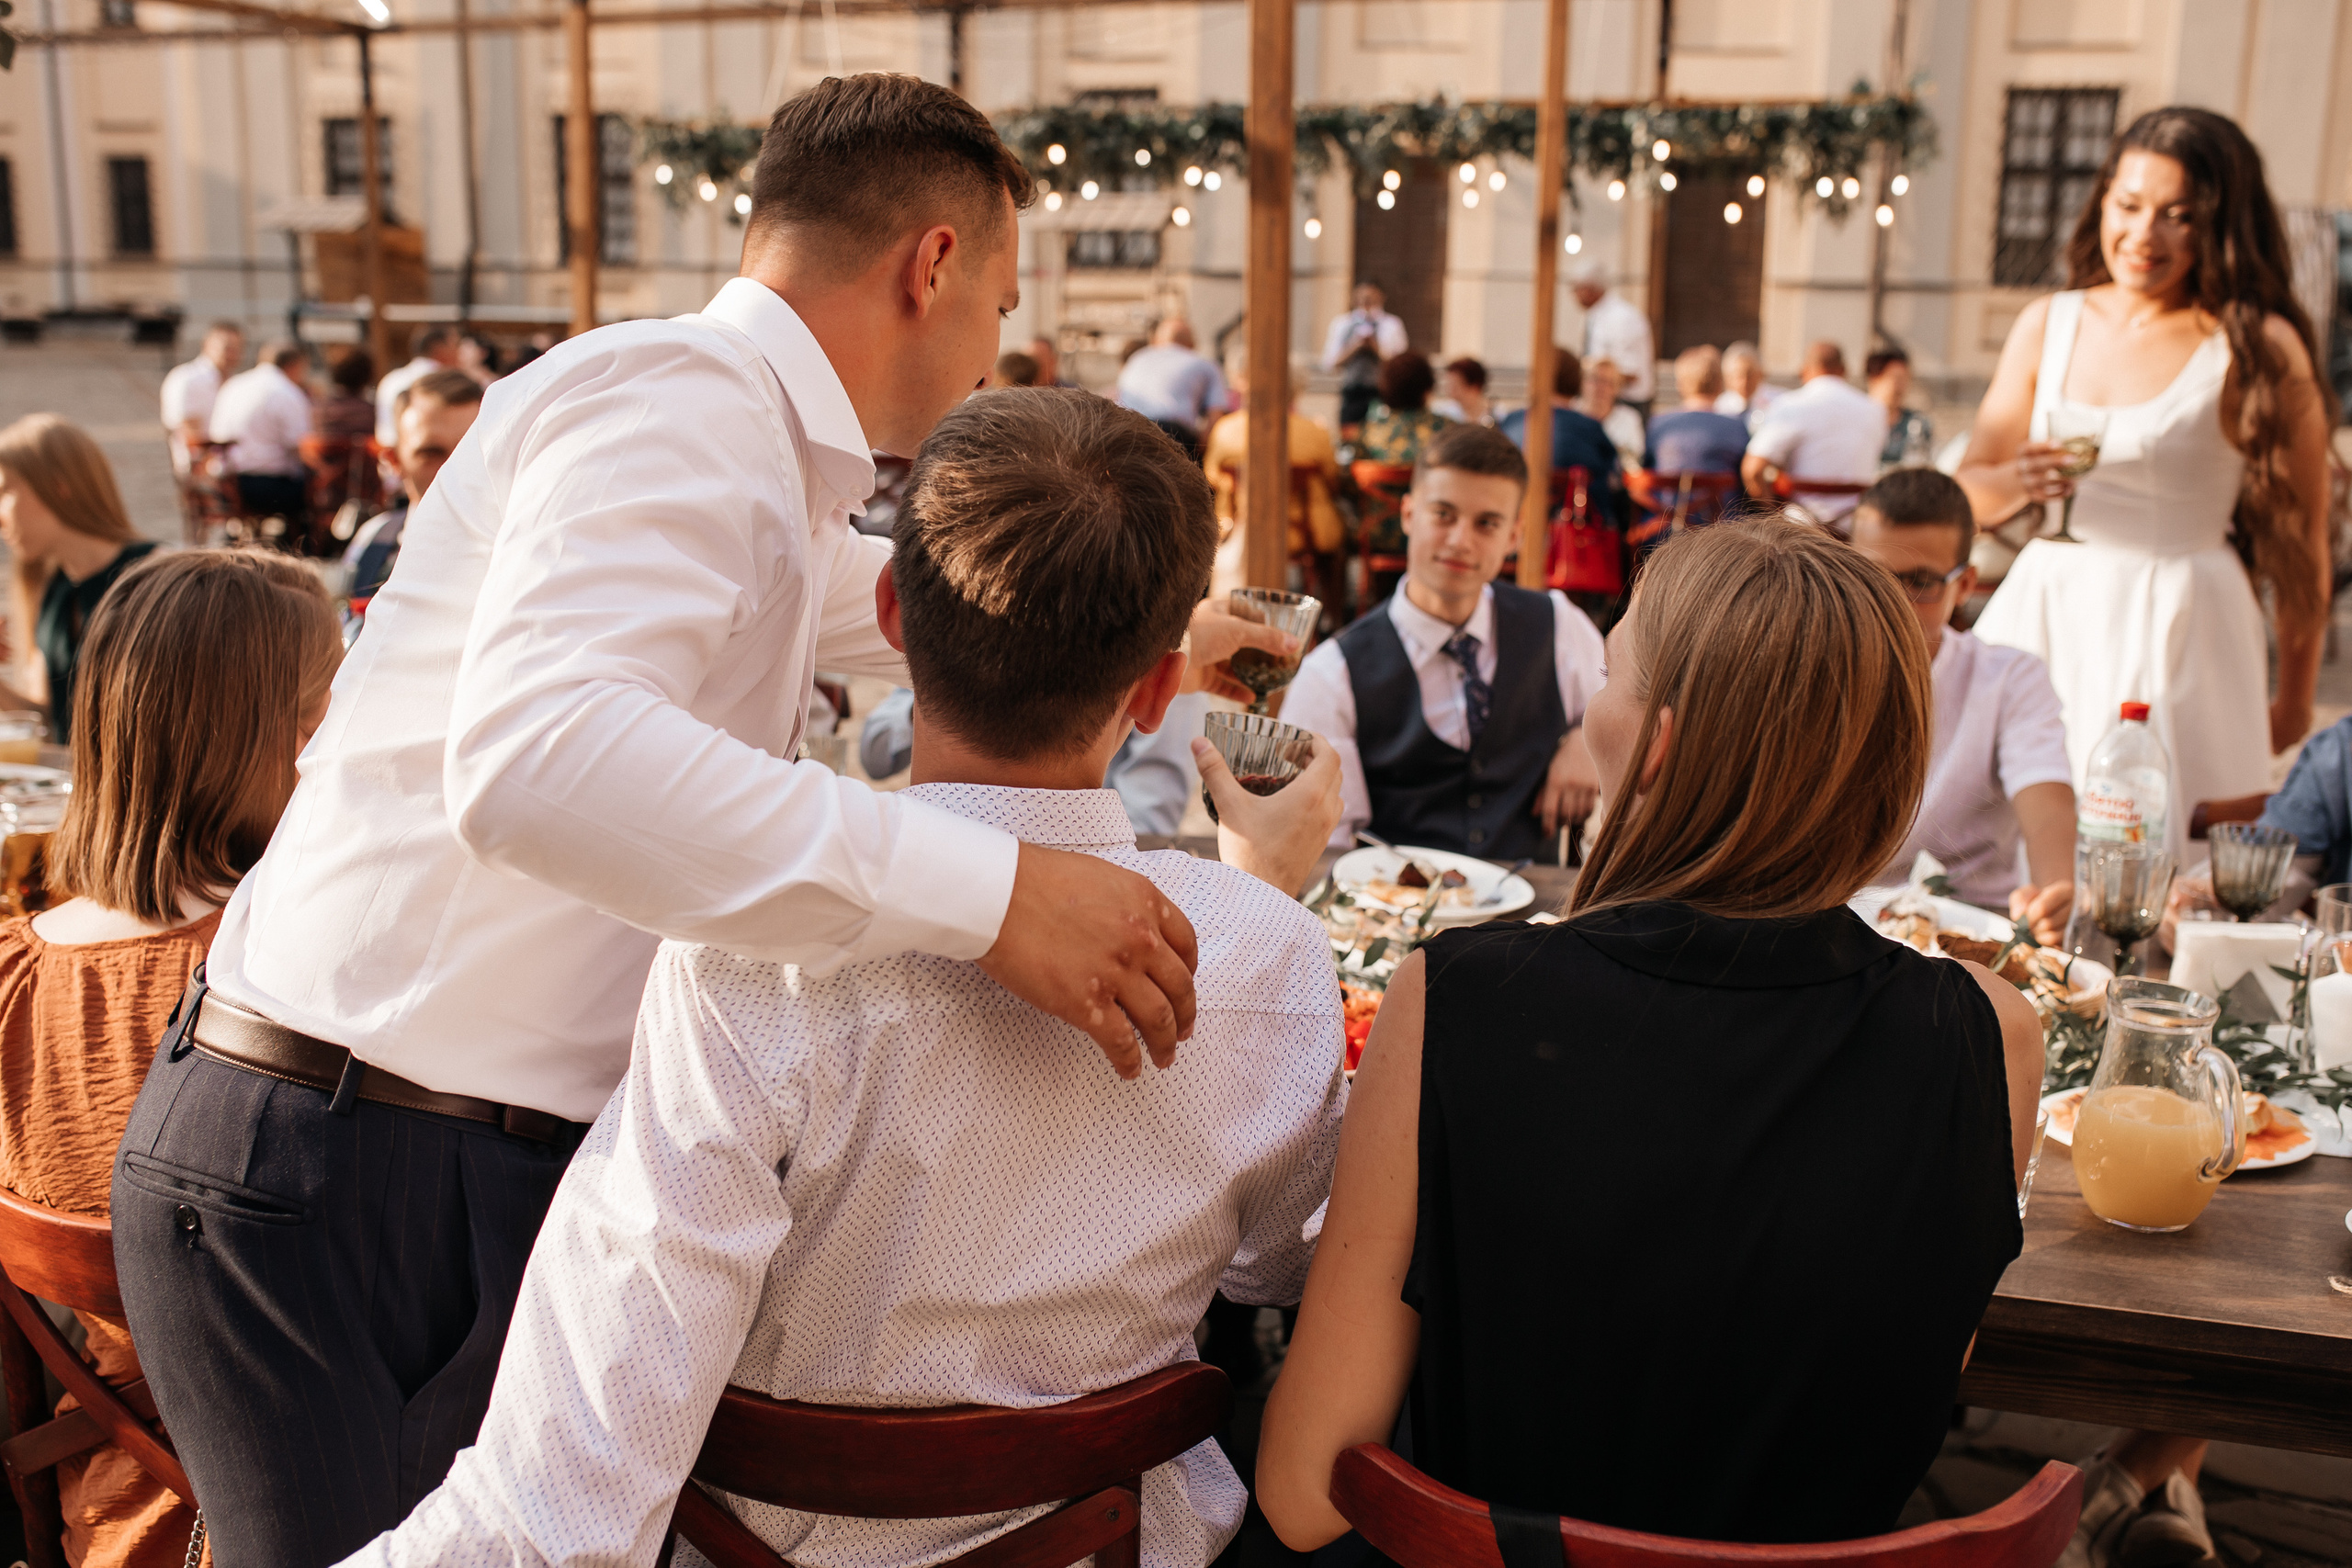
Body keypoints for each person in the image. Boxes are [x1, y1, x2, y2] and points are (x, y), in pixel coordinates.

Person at [110, 75, 1285, 1568]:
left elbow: (872, 612)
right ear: (930, 267)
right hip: (348, 1162)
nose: (992, 345)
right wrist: (994, 894)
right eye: (997, 301)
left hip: (405, 1140)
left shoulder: (750, 455)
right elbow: (543, 758)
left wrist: (1154, 616)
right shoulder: (680, 404)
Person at [333, 387, 1346, 1568]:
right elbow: (1284, 1261)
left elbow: (569, 1485)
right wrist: (1263, 900)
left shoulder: (750, 962)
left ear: (888, 614)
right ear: (1163, 690)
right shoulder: (1265, 958)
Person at [1259, 516, 2042, 1550]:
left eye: (1610, 677)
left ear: (1659, 740)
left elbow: (1306, 1495)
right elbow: (1887, 1386)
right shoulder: (1992, 1034)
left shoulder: (1457, 999)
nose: (1589, 707)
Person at [0, 548, 339, 1568]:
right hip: (304, 1509)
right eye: (333, 705)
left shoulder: (15, 971)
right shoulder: (290, 982)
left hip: (101, 1499)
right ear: (281, 737)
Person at [1960, 107, 2333, 873]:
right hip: (2048, 605)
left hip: (2183, 621)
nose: (2143, 235)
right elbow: (1968, 489)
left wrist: (2294, 695)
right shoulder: (2048, 323)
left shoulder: (2260, 345)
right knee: (2004, 853)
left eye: (2178, 217)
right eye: (2127, 205)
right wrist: (2013, 479)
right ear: (2102, 201)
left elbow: (2302, 538)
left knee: (2162, 870)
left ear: (2221, 226)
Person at [1280, 423, 1606, 858]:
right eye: (1444, 515)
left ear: (1514, 536)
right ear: (1409, 514)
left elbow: (1638, 724)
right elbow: (1321, 849)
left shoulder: (1561, 626)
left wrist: (1589, 739)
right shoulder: (1332, 674)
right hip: (1394, 914)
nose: (1460, 541)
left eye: (1486, 524)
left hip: (1538, 915)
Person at [1849, 469, 2075, 944]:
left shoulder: (2008, 678)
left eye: (1921, 583)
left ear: (1966, 585)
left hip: (1970, 927)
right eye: (1872, 577)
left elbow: (2045, 795)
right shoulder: (1810, 666)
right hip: (1838, 918)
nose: (1893, 602)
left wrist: (2054, 889)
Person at [0, 415, 159, 744]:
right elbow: (49, 722)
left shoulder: (159, 575)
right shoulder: (52, 588)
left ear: (59, 486)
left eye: (4, 492)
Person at [342, 368, 486, 603]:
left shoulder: (520, 549)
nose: (453, 467)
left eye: (470, 450)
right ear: (394, 461)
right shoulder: (373, 540)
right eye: (432, 453)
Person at [1741, 341, 1886, 526]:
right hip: (1857, 527)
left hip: (1802, 529)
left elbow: (1752, 470)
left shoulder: (1791, 404)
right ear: (1843, 370)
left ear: (1805, 370)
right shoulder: (1875, 410)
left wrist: (1771, 514)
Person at [1496, 350, 1624, 529]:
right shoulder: (1589, 428)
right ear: (1577, 380)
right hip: (1577, 535)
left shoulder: (1511, 422)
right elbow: (1615, 481)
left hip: (1516, 526)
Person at [209, 340, 316, 536]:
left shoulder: (233, 385)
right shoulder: (285, 391)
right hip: (267, 487)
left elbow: (216, 433)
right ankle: (304, 543)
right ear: (294, 366)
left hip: (225, 484)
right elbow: (301, 445)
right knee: (317, 489)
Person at [1115, 317, 1227, 456]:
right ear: (1192, 343)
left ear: (1156, 340)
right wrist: (1200, 452)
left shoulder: (1136, 359)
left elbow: (1119, 399)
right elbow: (1215, 416)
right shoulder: (1205, 364)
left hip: (1128, 432)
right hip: (1174, 435)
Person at [1645, 346, 1749, 476]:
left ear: (1680, 385)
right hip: (1720, 496)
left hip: (1665, 496)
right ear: (1720, 384)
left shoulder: (1657, 424)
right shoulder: (1736, 427)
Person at [1321, 279, 1410, 429]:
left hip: (1381, 391)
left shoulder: (1392, 325)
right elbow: (1330, 362)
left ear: (1381, 296)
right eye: (1363, 295)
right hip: (1352, 391)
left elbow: (1401, 365)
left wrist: (1375, 348)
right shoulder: (1343, 324)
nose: (1367, 299)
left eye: (1371, 295)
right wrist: (1355, 347)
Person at [159, 321, 243, 476]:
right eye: (227, 348)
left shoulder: (237, 382)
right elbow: (189, 432)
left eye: (237, 349)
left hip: (234, 462)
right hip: (203, 465)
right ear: (206, 345)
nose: (232, 354)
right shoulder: (186, 379)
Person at [1570, 257, 1656, 411]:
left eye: (1577, 288)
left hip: (1625, 403)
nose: (1573, 295)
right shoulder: (1594, 316)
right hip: (1604, 399)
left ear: (1590, 289)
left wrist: (1592, 380)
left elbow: (1631, 372)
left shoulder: (1622, 318)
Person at [1355, 352, 1453, 468]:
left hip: (1380, 485)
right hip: (1432, 484)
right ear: (1427, 388)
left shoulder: (1368, 433)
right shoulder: (1449, 431)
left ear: (1386, 388)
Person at [375, 326, 462, 444]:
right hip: (430, 454)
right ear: (439, 348)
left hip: (387, 453)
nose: (460, 351)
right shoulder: (447, 381)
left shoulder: (391, 378)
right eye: (456, 345)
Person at [1868, 345, 1934, 467]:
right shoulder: (1856, 421)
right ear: (1874, 378)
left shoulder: (1917, 424)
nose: (1900, 386)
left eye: (1905, 379)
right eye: (1895, 378)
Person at [1581, 355, 1646, 472]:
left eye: (1607, 382)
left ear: (1617, 389)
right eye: (1594, 379)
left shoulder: (1629, 418)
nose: (1600, 387)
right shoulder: (1572, 412)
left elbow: (1634, 462)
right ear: (1583, 382)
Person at [1714, 340, 1781, 425]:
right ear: (1727, 378)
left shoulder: (1778, 402)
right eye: (1738, 376)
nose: (1744, 382)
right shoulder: (1720, 406)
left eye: (1749, 375)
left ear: (1760, 374)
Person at [1431, 356, 1491, 424]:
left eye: (1455, 386)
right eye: (1449, 385)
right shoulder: (1444, 414)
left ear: (1475, 387)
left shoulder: (1498, 416)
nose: (1450, 391)